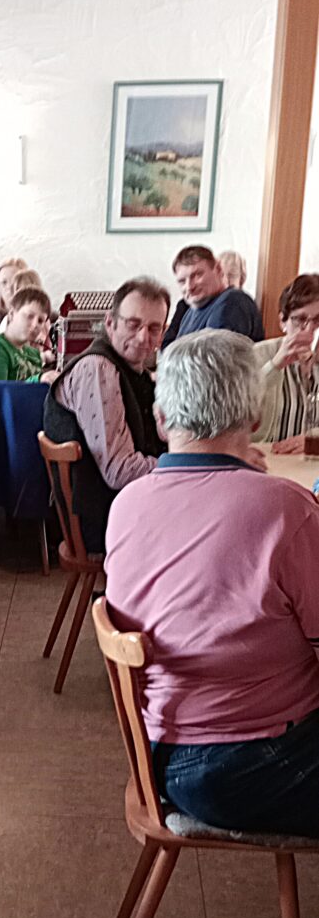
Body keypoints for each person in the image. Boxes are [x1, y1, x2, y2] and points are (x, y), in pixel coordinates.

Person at [104, 329, 319, 839]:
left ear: (160, 419)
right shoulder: (286, 510)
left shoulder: (128, 504)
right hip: (251, 764)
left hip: (161, 750)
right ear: (256, 418)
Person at [43, 277, 169, 553]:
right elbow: (118, 471)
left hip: (127, 509)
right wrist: (186, 466)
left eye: (154, 328)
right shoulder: (98, 369)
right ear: (110, 323)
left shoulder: (136, 372)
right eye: (133, 325)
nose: (143, 338)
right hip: (104, 522)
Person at [253, 273, 319, 453]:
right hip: (265, 456)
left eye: (317, 320)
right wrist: (275, 366)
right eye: (300, 319)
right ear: (283, 321)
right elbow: (234, 409)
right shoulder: (257, 354)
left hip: (310, 461)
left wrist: (314, 440)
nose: (310, 329)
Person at [165, 245, 263, 345]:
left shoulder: (232, 302)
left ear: (218, 269)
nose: (189, 287)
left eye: (197, 275)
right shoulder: (191, 311)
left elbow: (215, 353)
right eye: (182, 281)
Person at [0, 286, 57, 383]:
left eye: (40, 321)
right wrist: (38, 380)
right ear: (11, 314)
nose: (34, 324)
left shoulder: (32, 354)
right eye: (29, 316)